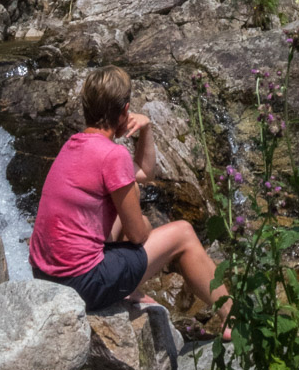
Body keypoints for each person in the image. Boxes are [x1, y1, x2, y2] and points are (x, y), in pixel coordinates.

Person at [29, 65, 230, 327]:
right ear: (125, 111)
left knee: (127, 193)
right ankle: (234, 321)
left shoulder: (73, 144)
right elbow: (138, 235)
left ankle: (127, 288)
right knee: (183, 233)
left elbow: (144, 172)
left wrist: (146, 129)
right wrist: (145, 223)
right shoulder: (112, 155)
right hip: (81, 283)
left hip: (45, 275)